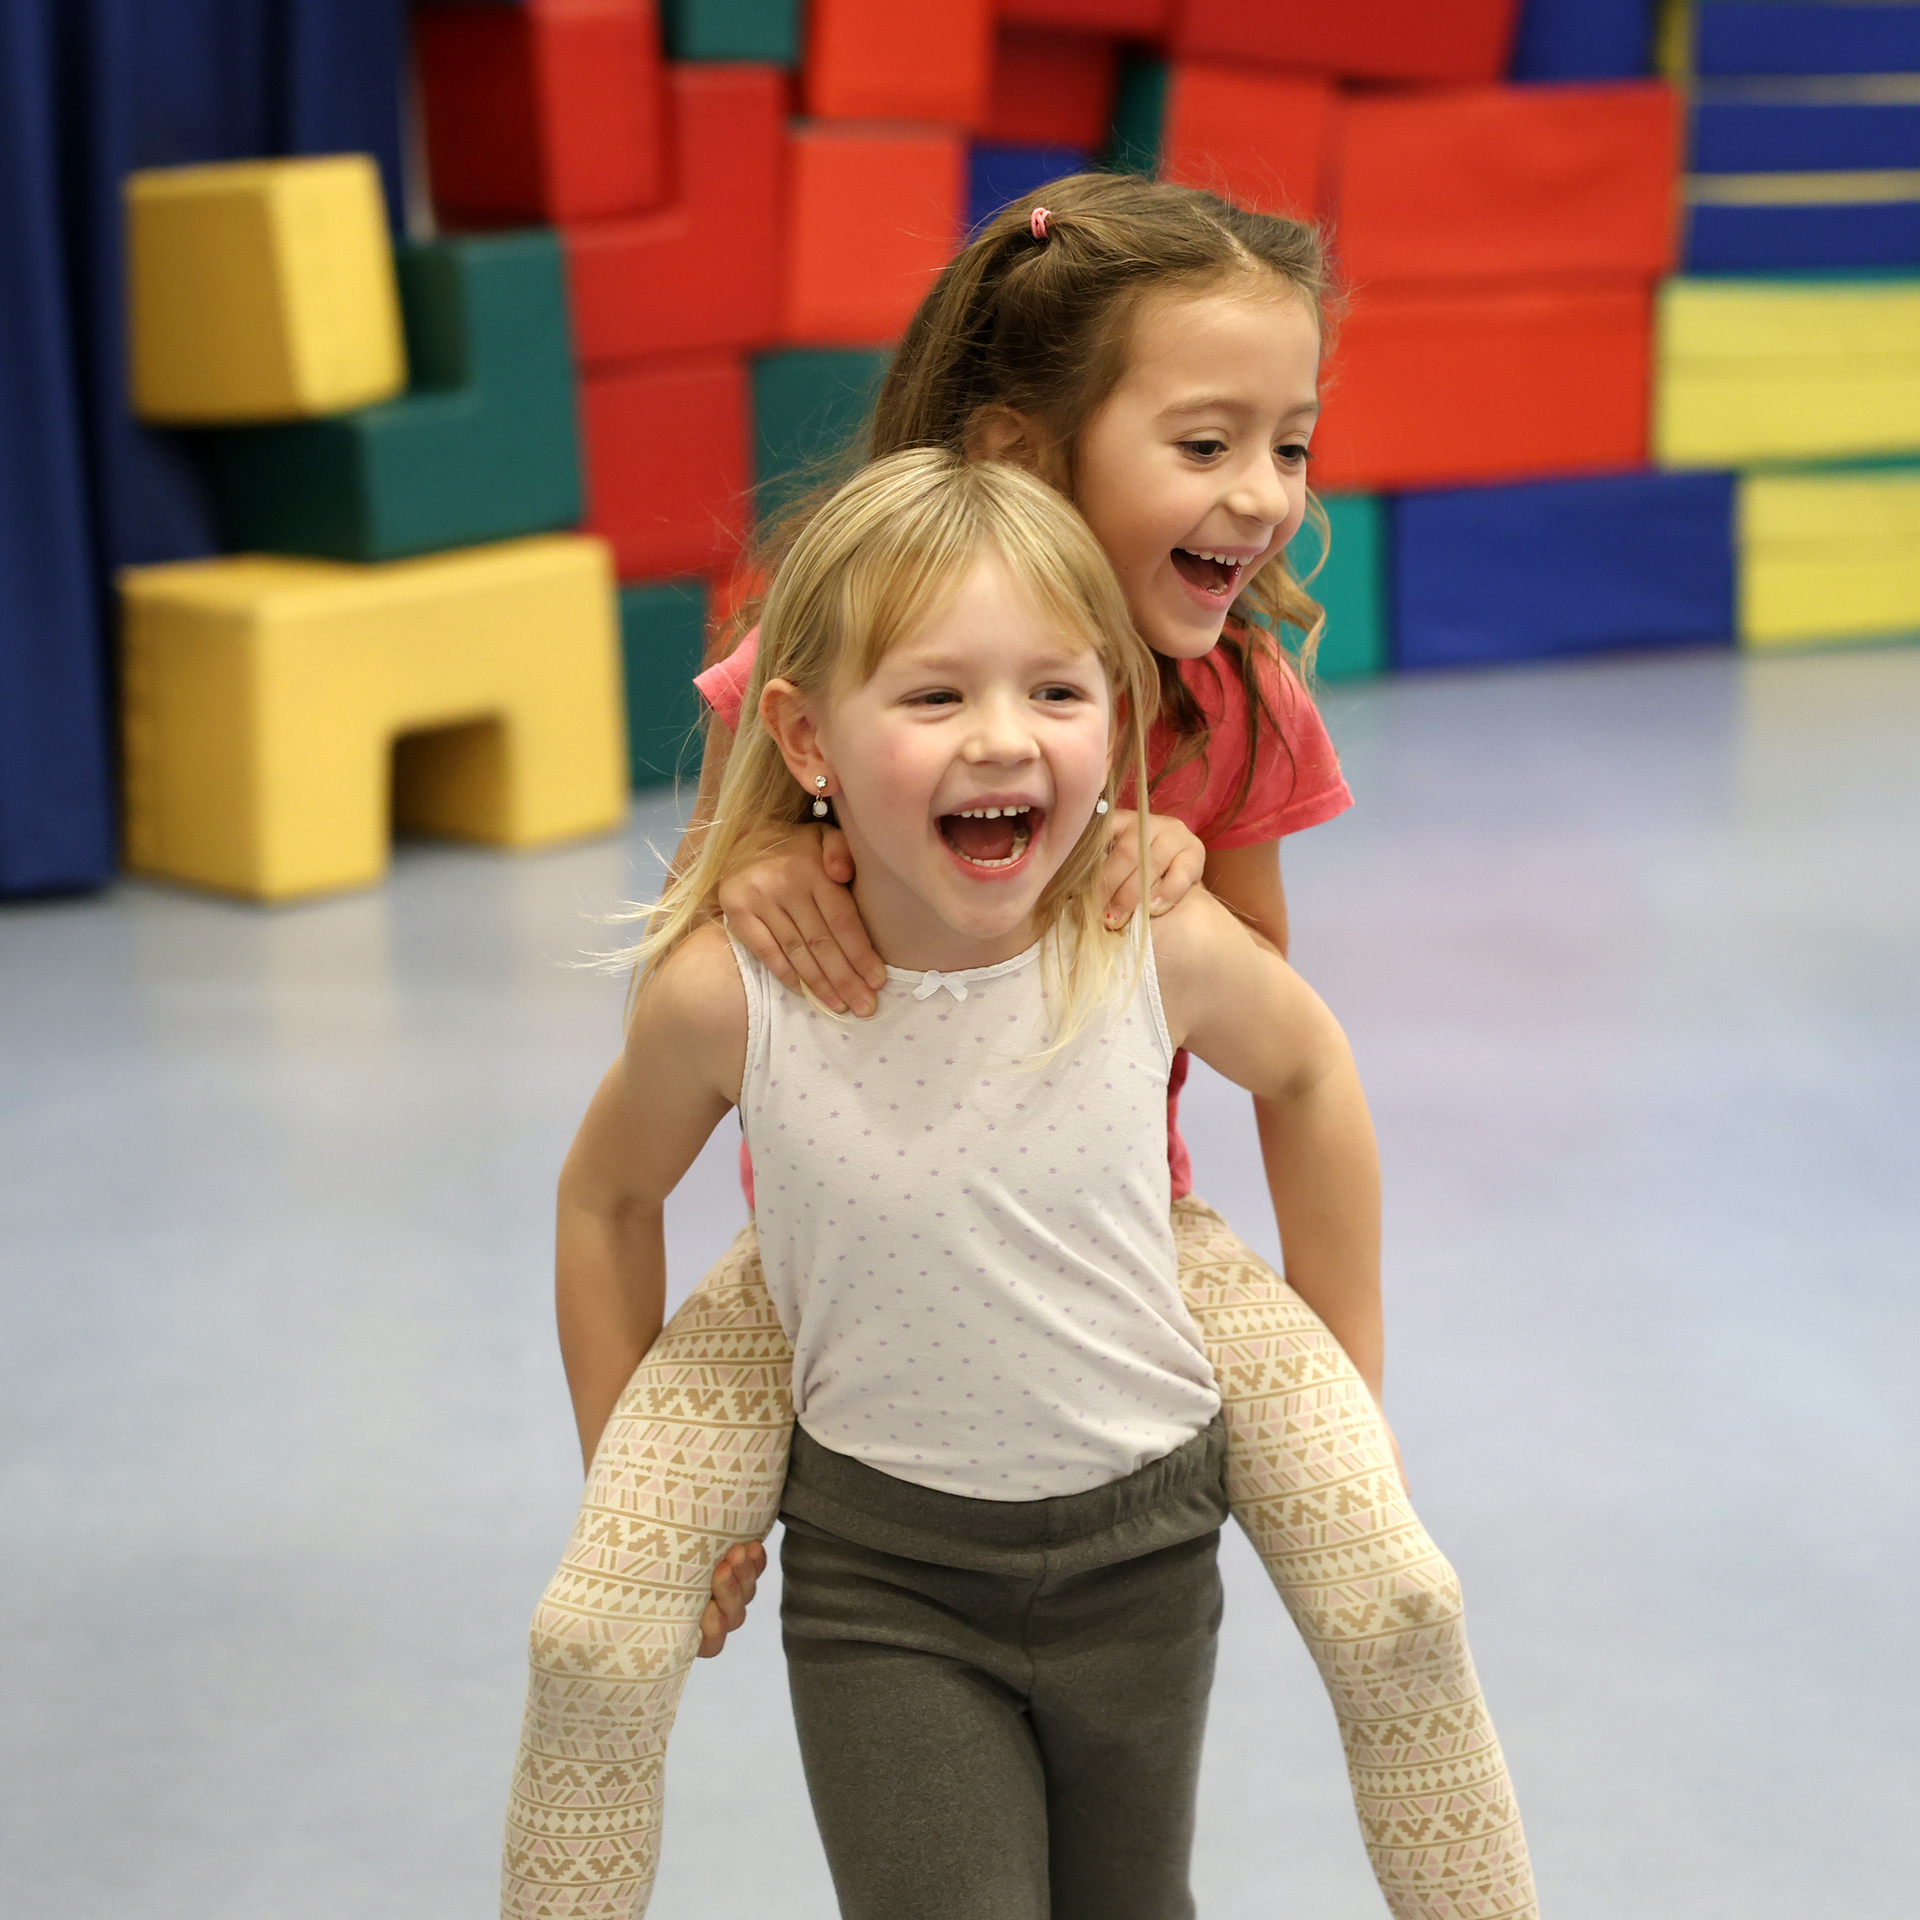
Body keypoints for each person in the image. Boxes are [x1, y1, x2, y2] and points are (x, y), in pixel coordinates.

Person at [502, 453, 1536, 1920]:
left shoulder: (1148, 940)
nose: (1004, 741)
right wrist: (630, 1488)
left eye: (1057, 693)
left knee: (1370, 1650)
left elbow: (1308, 1071)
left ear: (1118, 716)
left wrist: (1349, 1400)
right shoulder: (731, 992)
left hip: (1140, 1544)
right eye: (935, 699)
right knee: (592, 1647)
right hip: (890, 1577)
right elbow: (606, 1196)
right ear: (805, 739)